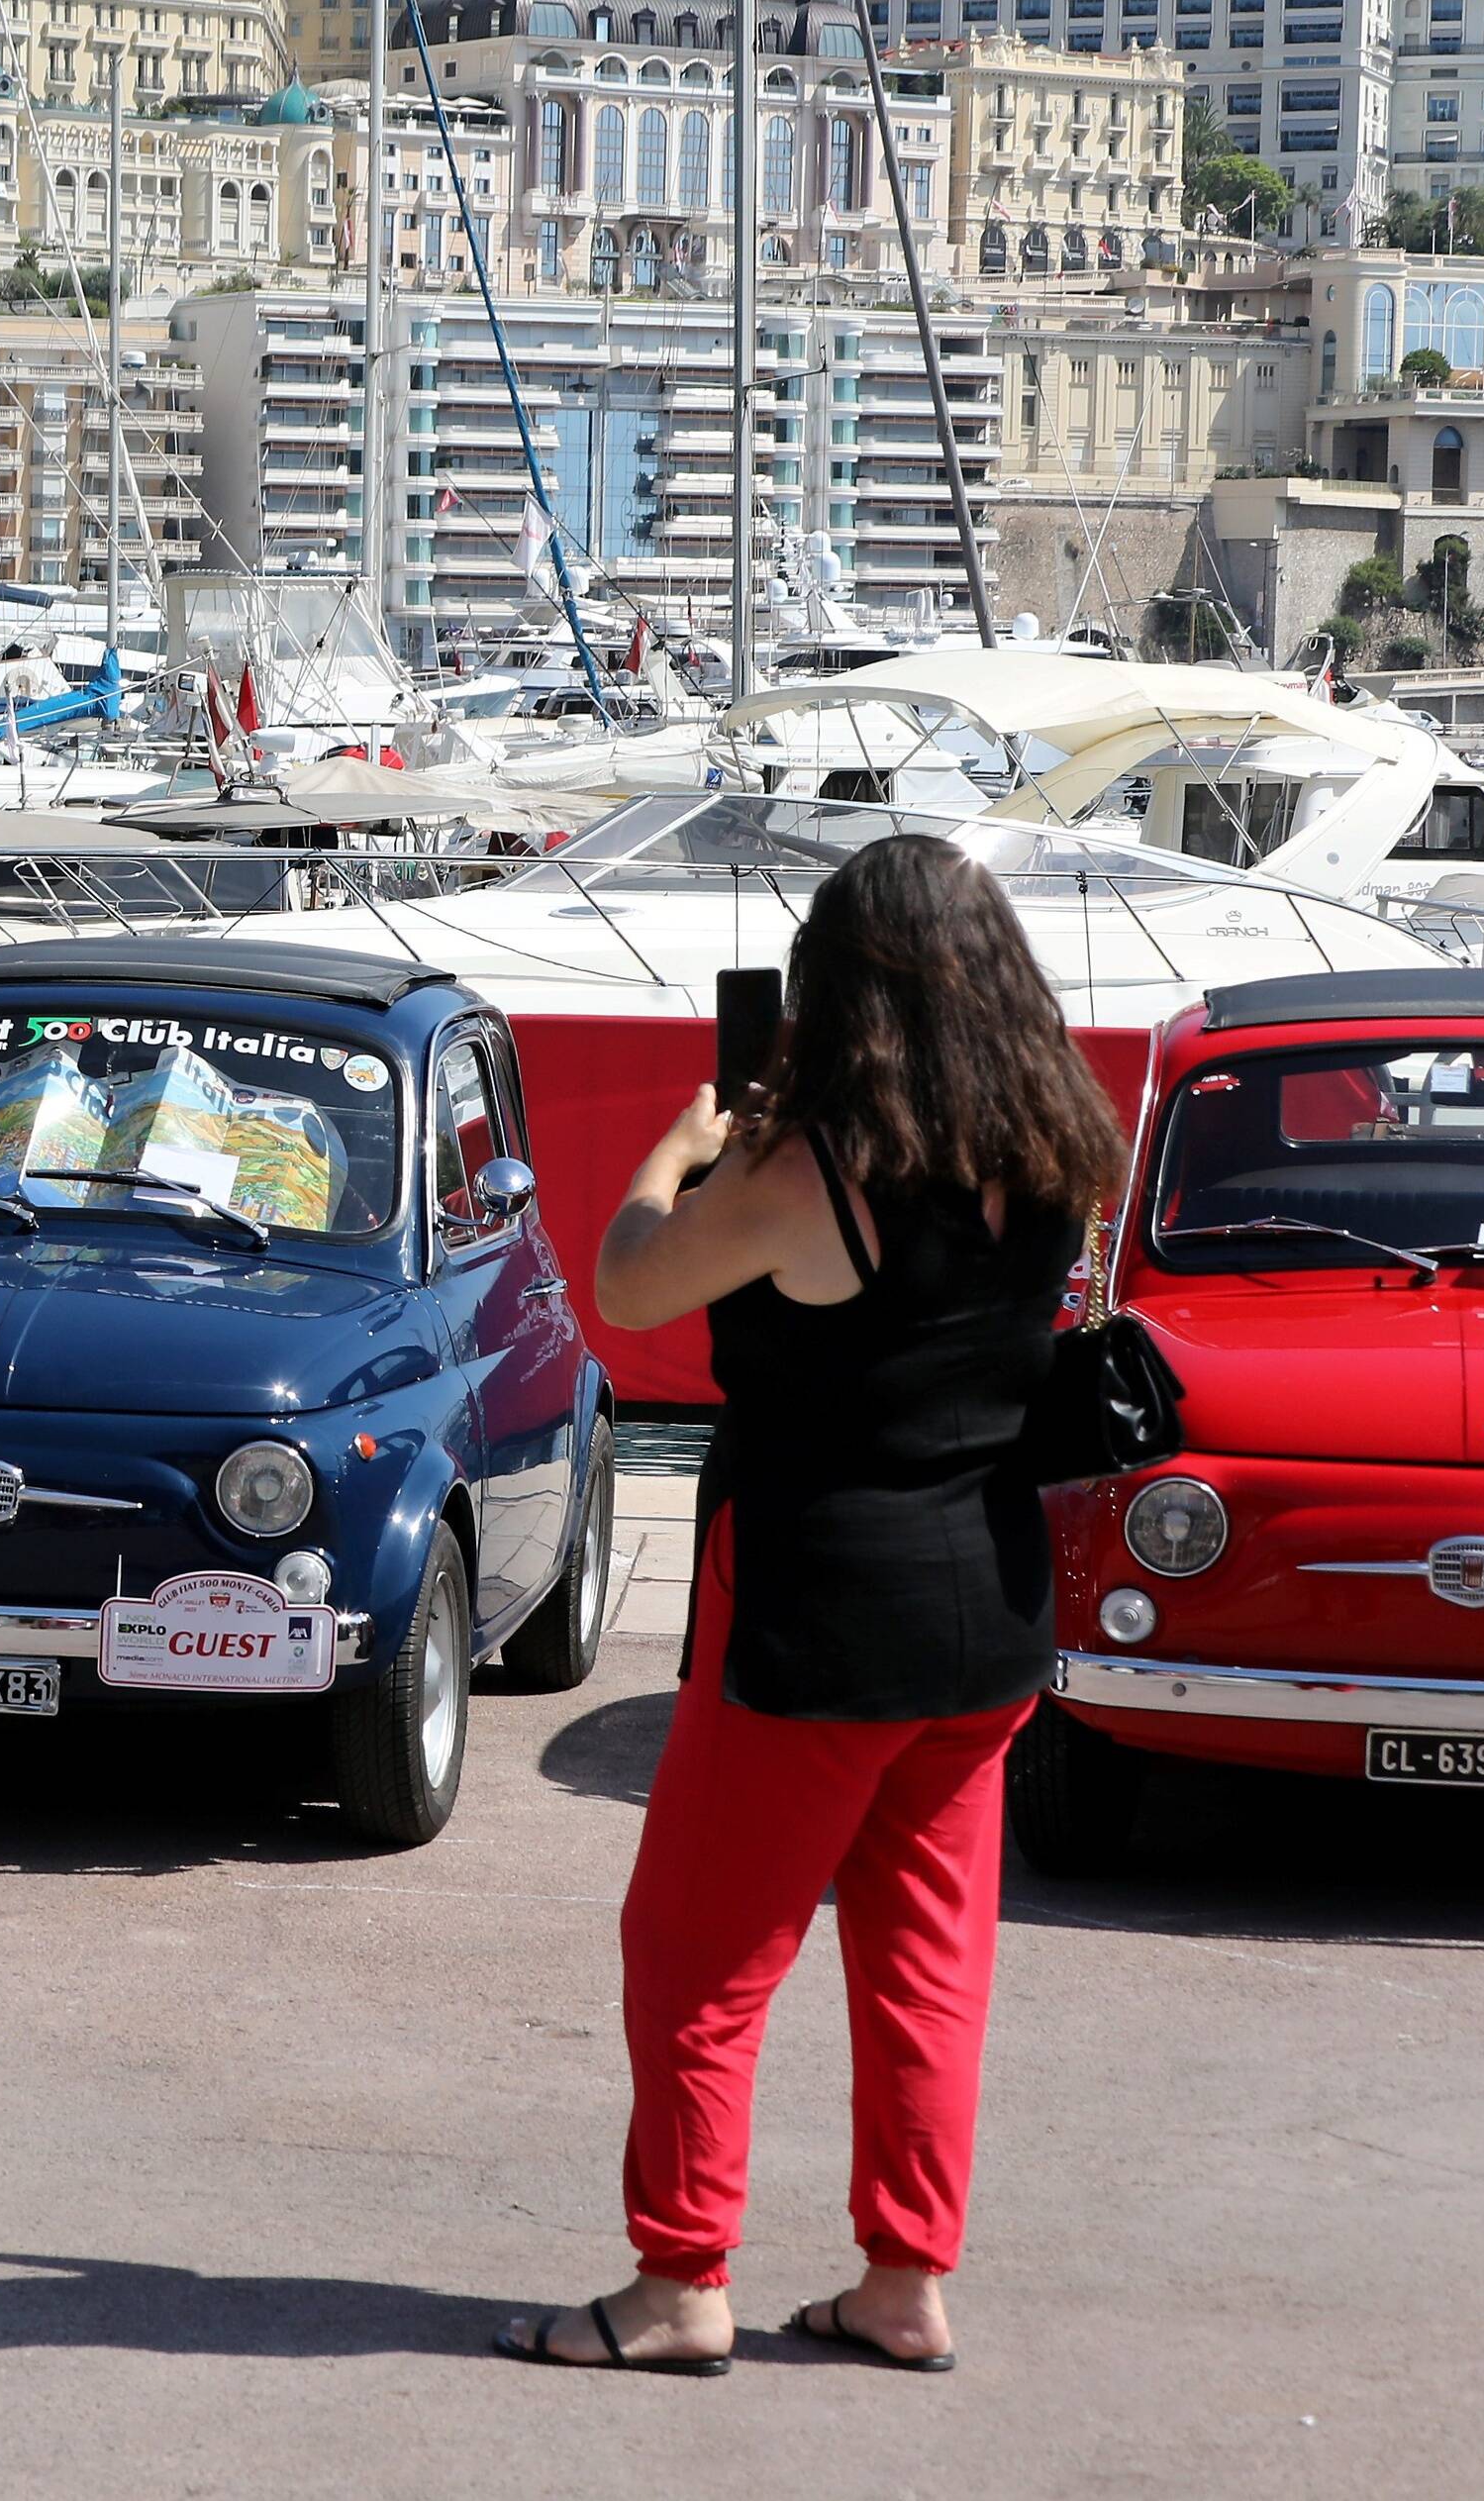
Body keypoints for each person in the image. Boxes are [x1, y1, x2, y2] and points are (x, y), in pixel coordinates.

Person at [499, 834, 1125, 2380]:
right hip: (985, 1612)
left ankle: (678, 2280)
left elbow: (630, 1284)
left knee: (699, 1950)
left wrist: (673, 1150)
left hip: (817, 1613)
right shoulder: (1050, 1147)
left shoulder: (804, 1176)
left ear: (841, 992)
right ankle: (905, 2274)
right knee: (927, 1955)